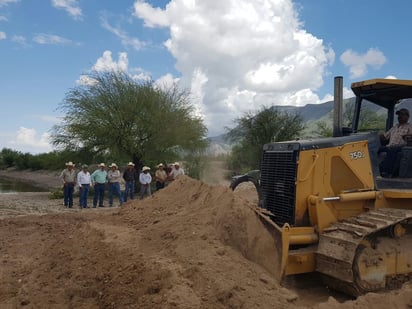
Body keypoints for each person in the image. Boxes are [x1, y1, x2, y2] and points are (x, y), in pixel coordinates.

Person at [379, 108, 412, 177]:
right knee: (375, 148)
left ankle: (387, 172)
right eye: (399, 115)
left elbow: (410, 138)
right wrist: (378, 135)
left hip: (402, 147)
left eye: (402, 114)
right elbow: (385, 137)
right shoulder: (394, 127)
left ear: (407, 116)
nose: (399, 116)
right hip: (389, 146)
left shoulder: (409, 127)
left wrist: (408, 136)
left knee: (392, 149)